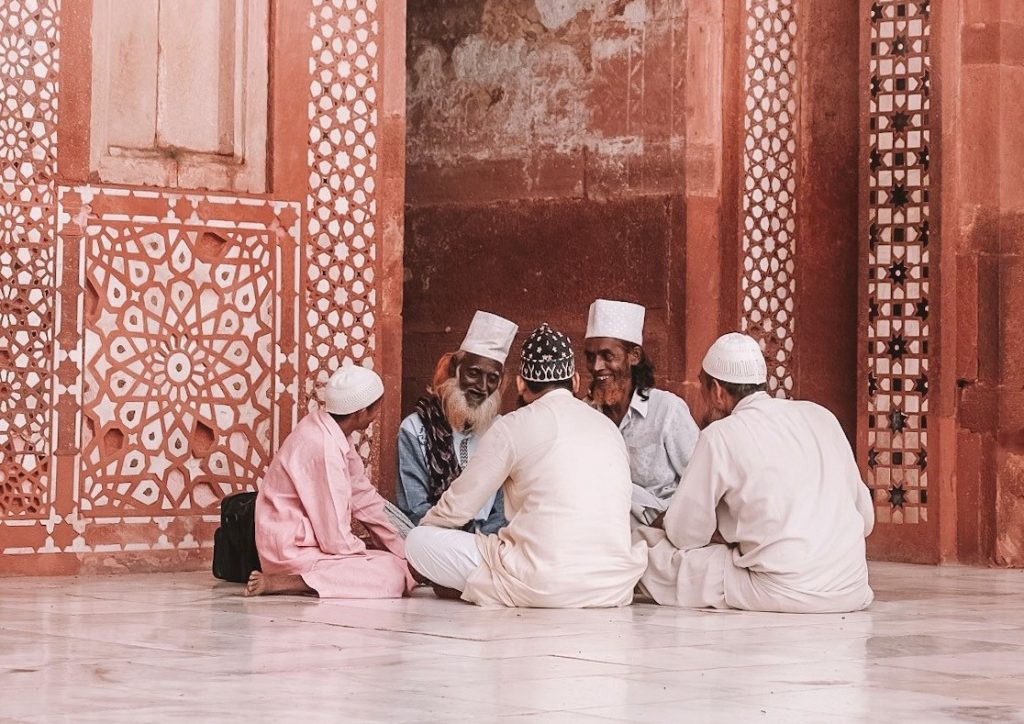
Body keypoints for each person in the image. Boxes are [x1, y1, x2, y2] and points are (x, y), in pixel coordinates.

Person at [404, 323, 648, 608]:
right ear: (576, 381)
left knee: (417, 541)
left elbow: (456, 508)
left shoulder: (511, 426)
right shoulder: (609, 428)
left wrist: (428, 542)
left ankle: (472, 583)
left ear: (520, 383)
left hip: (541, 584)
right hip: (611, 588)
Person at [635, 333, 875, 613]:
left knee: (647, 549)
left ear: (716, 390)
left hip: (785, 590)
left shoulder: (720, 434)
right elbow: (865, 520)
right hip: (851, 588)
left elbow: (685, 535)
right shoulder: (822, 416)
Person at [245, 365, 415, 598]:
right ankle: (289, 582)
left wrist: (403, 550)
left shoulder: (331, 430)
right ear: (361, 412)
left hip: (312, 546)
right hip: (292, 552)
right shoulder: (324, 449)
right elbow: (335, 539)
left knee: (397, 563)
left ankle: (312, 579)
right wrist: (366, 557)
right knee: (391, 576)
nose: (376, 415)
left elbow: (363, 496)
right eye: (376, 409)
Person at [397, 311, 517, 535]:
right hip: (436, 538)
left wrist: (481, 539)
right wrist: (457, 539)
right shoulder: (414, 428)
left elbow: (505, 508)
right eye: (473, 373)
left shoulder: (502, 430)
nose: (482, 387)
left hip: (489, 542)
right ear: (455, 370)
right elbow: (414, 509)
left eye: (492, 379)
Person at [584, 299, 700, 526]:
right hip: (605, 533)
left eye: (607, 356)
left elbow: (701, 484)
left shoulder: (667, 410)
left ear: (634, 356)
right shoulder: (586, 414)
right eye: (590, 356)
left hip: (663, 533)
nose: (597, 366)